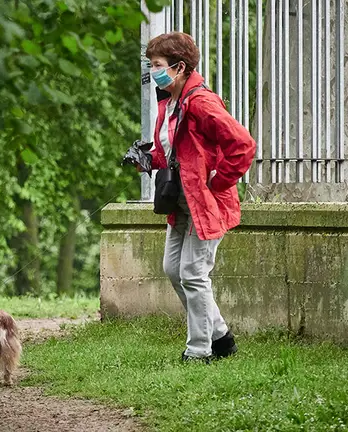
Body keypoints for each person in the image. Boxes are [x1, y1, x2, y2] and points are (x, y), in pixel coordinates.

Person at [140, 32, 256, 362]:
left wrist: (219, 182)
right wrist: (147, 159)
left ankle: (199, 351)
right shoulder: (170, 103)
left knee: (193, 273)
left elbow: (243, 145)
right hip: (180, 202)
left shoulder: (201, 102)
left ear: (179, 67)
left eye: (158, 65)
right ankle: (221, 337)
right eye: (151, 65)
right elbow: (176, 154)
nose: (153, 72)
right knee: (174, 270)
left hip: (205, 204)